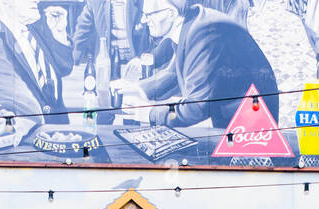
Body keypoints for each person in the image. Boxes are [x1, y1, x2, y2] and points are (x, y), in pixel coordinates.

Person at [111, 0, 279, 127]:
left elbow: (196, 108)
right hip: (232, 111)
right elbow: (173, 73)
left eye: (149, 15)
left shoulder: (202, 35)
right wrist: (137, 88)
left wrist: (150, 113)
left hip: (251, 120)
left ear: (170, 13)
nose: (143, 21)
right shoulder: (190, 23)